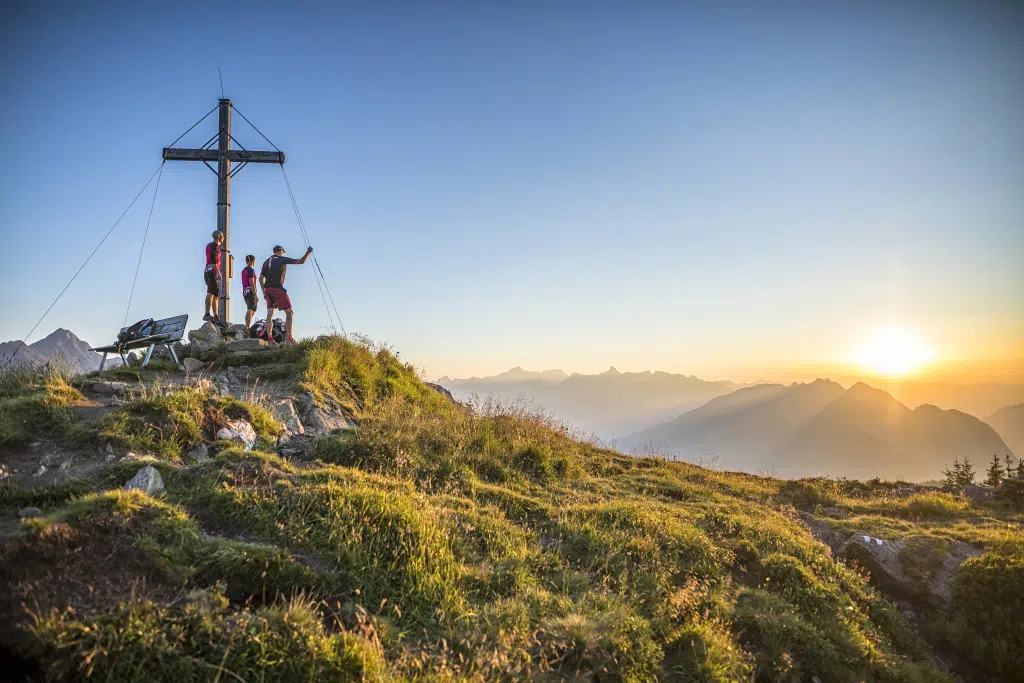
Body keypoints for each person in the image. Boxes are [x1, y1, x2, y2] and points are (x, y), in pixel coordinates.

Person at [259, 244, 313, 344]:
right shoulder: (281, 259)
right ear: (280, 251)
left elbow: (260, 278)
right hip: (277, 288)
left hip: (267, 289)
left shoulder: (266, 262)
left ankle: (270, 338)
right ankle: (289, 338)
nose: (283, 253)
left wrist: (263, 292)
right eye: (283, 251)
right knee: (289, 312)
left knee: (270, 313)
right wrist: (308, 252)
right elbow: (301, 261)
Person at [203, 231, 225, 324]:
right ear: (219, 237)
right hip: (212, 271)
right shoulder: (214, 246)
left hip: (210, 270)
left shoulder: (213, 246)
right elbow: (213, 260)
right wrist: (218, 273)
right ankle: (207, 313)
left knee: (216, 294)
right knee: (211, 292)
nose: (224, 237)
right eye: (223, 236)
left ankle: (216, 315)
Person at [241, 255, 259, 330]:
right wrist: (256, 295)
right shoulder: (251, 270)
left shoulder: (244, 270)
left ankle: (247, 326)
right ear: (253, 261)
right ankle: (247, 327)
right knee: (250, 309)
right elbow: (251, 282)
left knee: (251, 309)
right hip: (251, 291)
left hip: (245, 291)